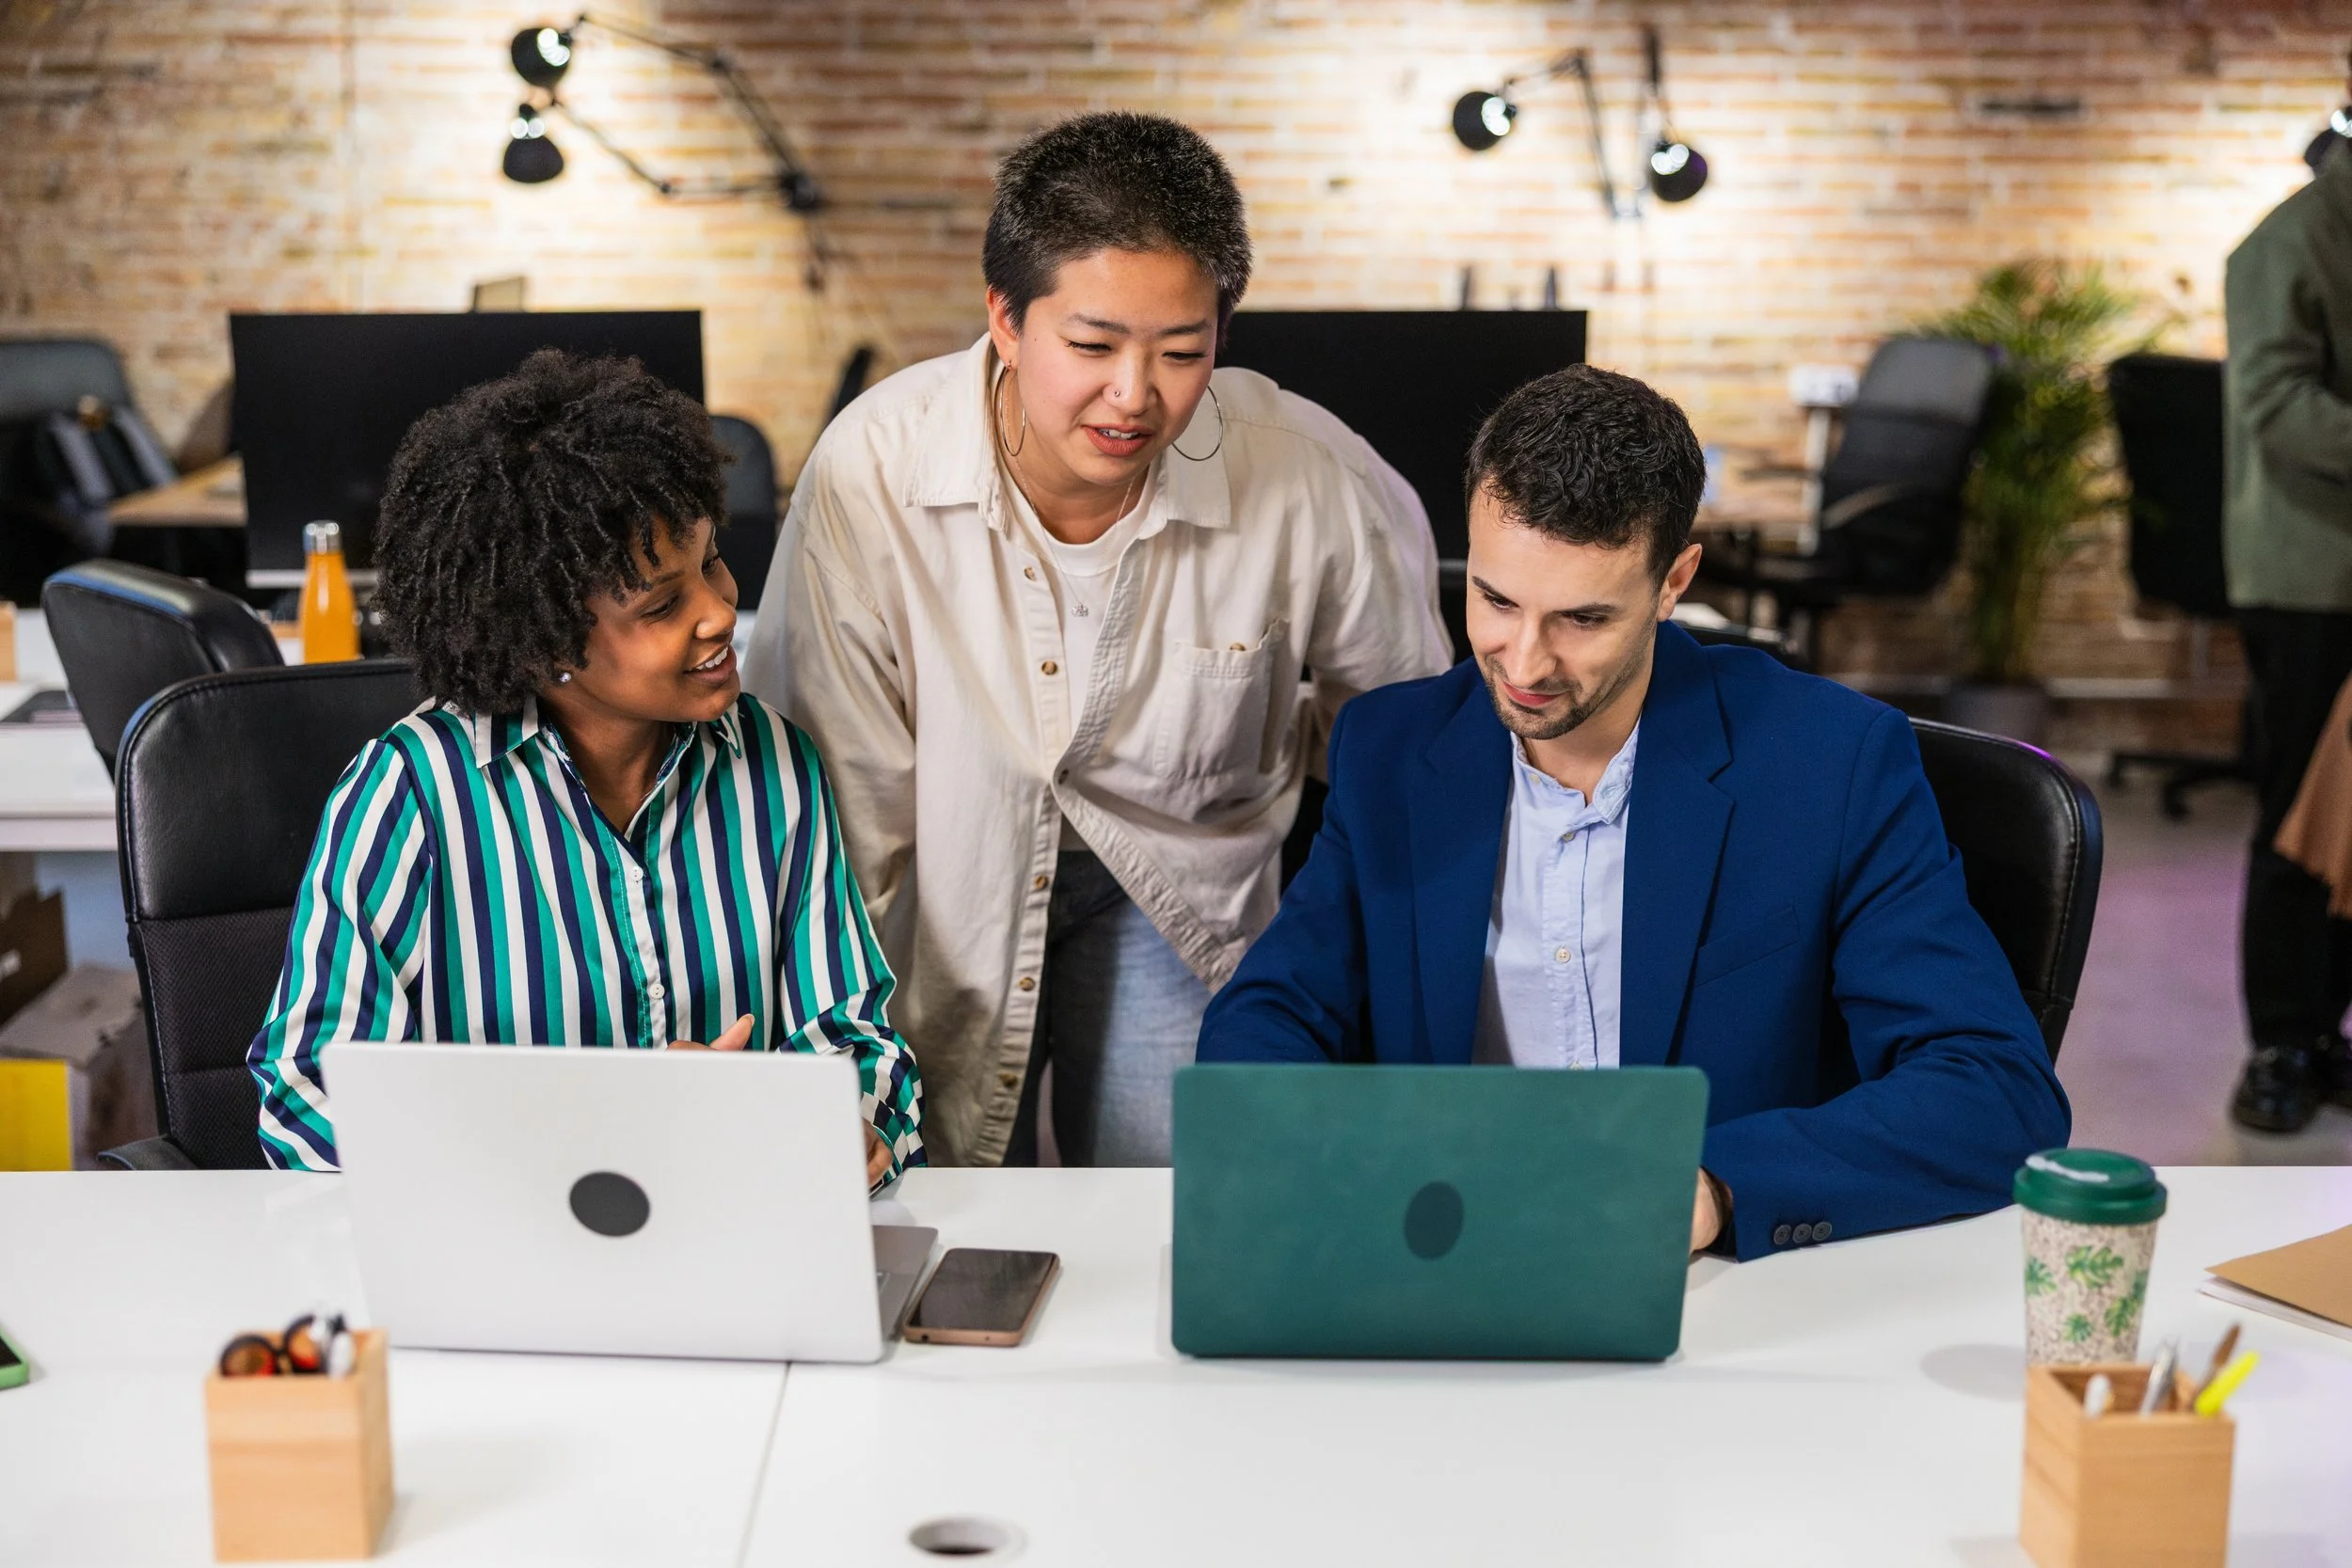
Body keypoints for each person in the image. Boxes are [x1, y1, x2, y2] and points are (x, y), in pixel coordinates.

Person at [1198, 365, 2071, 1259]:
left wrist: (1717, 1186)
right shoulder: (1390, 751)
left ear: (1673, 580)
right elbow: (1269, 1014)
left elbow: (1995, 1085)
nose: (1524, 661)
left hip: (1717, 1293)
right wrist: (1322, 1158)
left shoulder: (1833, 762)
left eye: (1582, 618)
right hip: (1449, 1258)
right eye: (1496, 600)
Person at [743, 112, 1449, 1168]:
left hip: (1175, 885)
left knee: (1174, 1211)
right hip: (947, 871)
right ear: (1005, 318)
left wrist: (1340, 968)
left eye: (1181, 352)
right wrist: (841, 1049)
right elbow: (846, 798)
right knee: (947, 1194)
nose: (1134, 396)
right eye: (1091, 345)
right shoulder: (873, 472)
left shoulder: (1309, 474)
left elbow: (1404, 734)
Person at [248, 350, 922, 1180]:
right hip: (504, 1270)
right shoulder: (412, 795)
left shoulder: (774, 763)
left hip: (733, 1243)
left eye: (711, 561)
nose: (719, 612)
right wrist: (588, 1140)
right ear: (547, 640)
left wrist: (852, 1125)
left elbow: (854, 1033)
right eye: (662, 604)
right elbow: (305, 1092)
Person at [2221, 44, 2352, 1132]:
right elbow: (2279, 407)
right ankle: (2277, 1041)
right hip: (2311, 576)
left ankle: (2327, 1032)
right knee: (2296, 820)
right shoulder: (2295, 236)